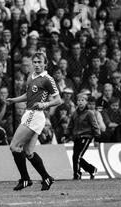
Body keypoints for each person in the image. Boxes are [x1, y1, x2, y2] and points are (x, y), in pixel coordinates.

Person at [6, 52, 61, 191]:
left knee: (14, 146)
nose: (36, 64)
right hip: (28, 113)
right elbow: (28, 95)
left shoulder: (48, 79)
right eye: (34, 62)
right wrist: (14, 100)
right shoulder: (31, 77)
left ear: (45, 63)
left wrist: (45, 105)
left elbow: (58, 100)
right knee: (28, 151)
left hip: (35, 115)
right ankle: (47, 178)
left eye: (39, 62)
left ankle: (25, 179)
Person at [68, 93, 101, 180]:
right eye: (79, 100)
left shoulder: (89, 113)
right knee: (76, 156)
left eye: (82, 100)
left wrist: (97, 138)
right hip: (77, 137)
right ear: (76, 102)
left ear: (86, 102)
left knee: (77, 156)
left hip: (86, 136)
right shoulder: (74, 113)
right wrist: (66, 135)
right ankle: (92, 169)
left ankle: (77, 175)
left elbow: (95, 126)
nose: (80, 102)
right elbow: (70, 126)